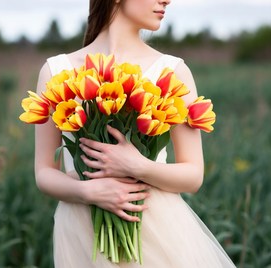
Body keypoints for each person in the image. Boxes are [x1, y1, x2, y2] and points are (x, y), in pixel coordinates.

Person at [34, 0, 236, 267]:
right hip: (80, 229)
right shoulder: (56, 71)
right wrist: (88, 192)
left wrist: (138, 165)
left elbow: (193, 175)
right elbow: (44, 173)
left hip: (154, 227)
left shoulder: (173, 72)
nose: (167, 0)